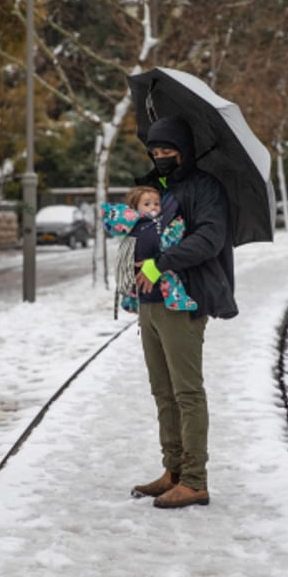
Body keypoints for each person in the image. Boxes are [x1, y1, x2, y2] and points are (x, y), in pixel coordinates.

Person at [128, 114, 237, 509]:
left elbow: (210, 238)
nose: (160, 157)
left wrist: (163, 262)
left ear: (185, 151)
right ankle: (173, 470)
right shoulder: (152, 189)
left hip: (185, 298)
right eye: (155, 151)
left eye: (168, 150)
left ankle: (195, 480)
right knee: (163, 391)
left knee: (187, 392)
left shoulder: (206, 187)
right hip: (150, 301)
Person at [101, 186, 197, 315]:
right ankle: (131, 301)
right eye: (147, 204)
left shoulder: (160, 223)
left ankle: (176, 300)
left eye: (157, 203)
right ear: (134, 207)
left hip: (159, 277)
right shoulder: (134, 225)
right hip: (142, 281)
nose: (153, 207)